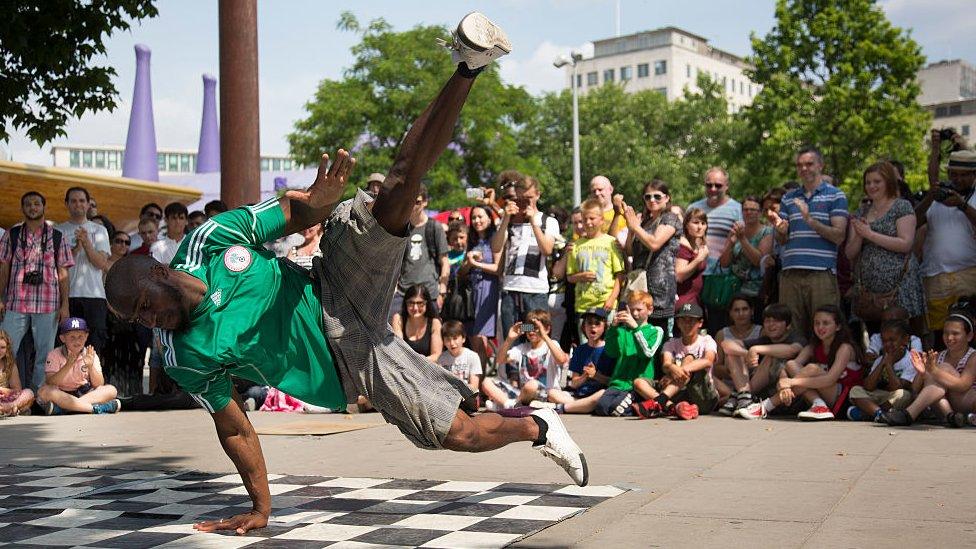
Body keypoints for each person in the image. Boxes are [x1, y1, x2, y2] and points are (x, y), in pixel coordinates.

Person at [105, 15, 587, 535]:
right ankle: (539, 425)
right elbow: (235, 428)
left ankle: (469, 64)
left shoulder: (208, 240)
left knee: (399, 185)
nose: (148, 322)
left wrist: (320, 202)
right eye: (137, 320)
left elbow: (295, 215)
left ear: (158, 271)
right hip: (347, 362)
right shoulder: (184, 356)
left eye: (143, 307)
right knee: (460, 434)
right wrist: (262, 507)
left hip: (334, 284)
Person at [772, 147, 849, 339]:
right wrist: (780, 231)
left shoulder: (836, 195)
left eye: (809, 164)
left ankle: (826, 368)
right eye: (800, 165)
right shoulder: (788, 198)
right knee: (791, 331)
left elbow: (839, 236)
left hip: (821, 274)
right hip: (790, 274)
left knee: (826, 331)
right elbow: (781, 239)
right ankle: (794, 368)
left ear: (820, 165)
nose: (804, 168)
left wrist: (810, 220)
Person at [0, 191, 74, 391]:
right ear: (22, 208)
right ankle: (5, 393)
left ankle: (39, 396)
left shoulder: (58, 237)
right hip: (16, 303)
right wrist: (1, 298)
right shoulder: (12, 234)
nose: (32, 207)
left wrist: (65, 305)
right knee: (5, 350)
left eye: (36, 204)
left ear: (44, 207)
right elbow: (4, 268)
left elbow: (63, 273)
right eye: (28, 204)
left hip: (48, 304)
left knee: (45, 354)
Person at [738, 305, 861, 421]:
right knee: (792, 365)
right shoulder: (813, 347)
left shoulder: (845, 348)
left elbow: (829, 379)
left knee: (813, 369)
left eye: (826, 323)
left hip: (844, 399)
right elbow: (789, 366)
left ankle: (766, 405)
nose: (820, 327)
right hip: (824, 396)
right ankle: (818, 405)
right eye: (817, 323)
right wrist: (784, 383)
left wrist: (791, 382)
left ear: (838, 326)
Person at [845, 161, 924, 333]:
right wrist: (859, 235)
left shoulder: (901, 206)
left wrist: (870, 235)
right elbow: (850, 253)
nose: (871, 186)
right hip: (869, 295)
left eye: (877, 181)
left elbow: (905, 243)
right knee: (875, 341)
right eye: (868, 182)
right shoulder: (861, 212)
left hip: (900, 289)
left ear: (888, 181)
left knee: (902, 339)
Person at [915, 136, 976, 348]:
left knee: (969, 332)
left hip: (968, 274)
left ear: (974, 175)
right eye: (953, 174)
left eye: (963, 175)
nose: (957, 179)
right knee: (940, 334)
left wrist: (962, 205)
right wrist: (930, 197)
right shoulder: (939, 195)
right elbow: (913, 221)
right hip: (935, 276)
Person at [492, 176, 560, 338]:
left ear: (538, 195)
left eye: (529, 198)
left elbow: (547, 249)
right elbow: (495, 247)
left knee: (534, 337)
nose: (526, 203)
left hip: (535, 292)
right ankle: (513, 364)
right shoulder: (508, 219)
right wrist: (506, 218)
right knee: (513, 338)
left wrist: (533, 221)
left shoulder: (547, 221)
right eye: (521, 199)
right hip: (511, 291)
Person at [886, 310, 976, 427]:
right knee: (937, 378)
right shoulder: (938, 356)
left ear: (969, 336)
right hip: (944, 406)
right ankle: (951, 416)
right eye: (946, 333)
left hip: (967, 402)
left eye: (955, 333)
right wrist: (923, 373)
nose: (949, 337)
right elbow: (915, 389)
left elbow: (963, 385)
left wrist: (934, 371)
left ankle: (909, 414)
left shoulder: (973, 357)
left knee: (943, 368)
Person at [633, 302, 718, 420]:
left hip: (701, 395)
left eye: (691, 320)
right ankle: (671, 407)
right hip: (676, 393)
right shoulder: (671, 343)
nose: (687, 324)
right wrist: (671, 368)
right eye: (683, 320)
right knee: (638, 382)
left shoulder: (707, 340)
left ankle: (659, 401)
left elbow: (708, 360)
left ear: (700, 323)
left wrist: (680, 369)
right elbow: (666, 364)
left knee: (689, 358)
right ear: (677, 323)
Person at [719, 303, 805, 416]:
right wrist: (746, 353)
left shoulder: (795, 338)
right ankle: (744, 396)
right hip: (763, 392)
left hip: (789, 393)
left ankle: (739, 396)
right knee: (732, 354)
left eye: (777, 321)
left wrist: (756, 349)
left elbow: (792, 350)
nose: (771, 325)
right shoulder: (765, 340)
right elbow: (726, 344)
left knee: (770, 356)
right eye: (767, 321)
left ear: (787, 325)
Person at [620, 180, 681, 337]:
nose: (652, 200)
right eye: (648, 197)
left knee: (656, 334)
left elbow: (654, 243)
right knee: (635, 332)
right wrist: (631, 228)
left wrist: (635, 227)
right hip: (640, 286)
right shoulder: (644, 222)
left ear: (667, 198)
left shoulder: (670, 218)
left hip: (659, 289)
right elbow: (629, 250)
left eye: (657, 196)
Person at [56, 187, 111, 355]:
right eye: (73, 201)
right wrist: (76, 248)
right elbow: (58, 265)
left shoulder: (99, 230)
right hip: (68, 297)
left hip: (94, 298)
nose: (77, 204)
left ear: (88, 204)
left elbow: (101, 263)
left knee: (93, 348)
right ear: (66, 204)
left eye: (81, 201)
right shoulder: (58, 231)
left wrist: (86, 243)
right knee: (68, 347)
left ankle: (92, 381)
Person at [687, 167, 743, 331]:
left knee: (720, 324)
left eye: (718, 185)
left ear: (727, 186)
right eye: (708, 185)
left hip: (722, 277)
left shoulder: (737, 209)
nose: (712, 189)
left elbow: (740, 243)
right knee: (695, 322)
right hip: (696, 273)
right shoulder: (694, 208)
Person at [482, 309, 568, 410]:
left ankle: (507, 405)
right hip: (523, 394)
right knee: (486, 382)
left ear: (547, 329)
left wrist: (544, 335)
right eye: (529, 328)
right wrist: (509, 339)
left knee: (531, 385)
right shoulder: (522, 348)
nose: (531, 332)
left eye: (536, 328)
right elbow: (500, 360)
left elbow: (561, 360)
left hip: (546, 393)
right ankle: (510, 405)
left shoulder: (551, 344)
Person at [597, 291, 664, 416]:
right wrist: (613, 328)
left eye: (639, 310)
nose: (634, 313)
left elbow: (647, 353)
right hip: (618, 383)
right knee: (602, 407)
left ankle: (648, 406)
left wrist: (636, 329)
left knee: (616, 410)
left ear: (650, 310)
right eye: (631, 310)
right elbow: (610, 352)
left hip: (636, 385)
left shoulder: (655, 331)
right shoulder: (622, 331)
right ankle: (642, 407)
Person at [37, 317, 121, 415]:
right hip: (62, 393)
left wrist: (90, 366)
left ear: (86, 337)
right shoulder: (54, 354)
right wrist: (68, 365)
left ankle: (67, 408)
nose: (77, 341)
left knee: (111, 390)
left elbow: (98, 384)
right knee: (45, 391)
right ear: (62, 338)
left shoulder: (90, 354)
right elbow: (51, 382)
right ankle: (95, 409)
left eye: (80, 336)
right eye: (72, 337)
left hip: (84, 392)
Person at [392, 184, 450, 316]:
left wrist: (442, 290)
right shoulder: (401, 227)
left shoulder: (435, 227)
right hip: (403, 292)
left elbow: (445, 261)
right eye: (410, 201)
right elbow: (395, 261)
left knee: (431, 332)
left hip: (430, 292)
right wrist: (394, 289)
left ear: (425, 202)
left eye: (417, 201)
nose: (413, 205)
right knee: (396, 333)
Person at [565, 198, 625, 323]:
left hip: (605, 304)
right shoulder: (575, 245)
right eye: (584, 219)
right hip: (583, 306)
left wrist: (612, 298)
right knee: (586, 342)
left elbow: (620, 274)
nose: (588, 222)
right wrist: (581, 276)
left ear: (602, 220)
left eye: (592, 218)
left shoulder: (611, 242)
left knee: (608, 341)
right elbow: (570, 277)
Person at [847, 320, 915, 422]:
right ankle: (879, 414)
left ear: (905, 340)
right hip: (879, 396)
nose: (888, 344)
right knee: (855, 390)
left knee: (904, 395)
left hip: (894, 397)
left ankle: (868, 412)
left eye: (892, 340)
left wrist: (889, 364)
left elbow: (896, 387)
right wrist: (882, 362)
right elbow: (868, 387)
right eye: (884, 341)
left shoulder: (911, 360)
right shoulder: (880, 359)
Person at [547, 308, 613, 414]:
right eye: (589, 323)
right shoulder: (580, 350)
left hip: (599, 395)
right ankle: (581, 406)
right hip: (580, 396)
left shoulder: (610, 350)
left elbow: (612, 382)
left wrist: (595, 375)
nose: (593, 326)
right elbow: (574, 383)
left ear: (604, 326)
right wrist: (585, 376)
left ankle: (565, 408)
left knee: (601, 394)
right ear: (584, 327)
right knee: (552, 393)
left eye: (597, 323)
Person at [457, 204, 500, 367]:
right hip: (472, 294)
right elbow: (461, 272)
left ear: (489, 218)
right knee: (474, 338)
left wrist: (476, 263)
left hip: (489, 291)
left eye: (480, 216)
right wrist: (469, 262)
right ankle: (479, 382)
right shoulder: (471, 240)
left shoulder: (495, 238)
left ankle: (480, 385)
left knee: (481, 338)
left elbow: (498, 269)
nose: (476, 220)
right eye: (474, 217)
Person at [719, 195, 772, 303]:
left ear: (760, 212)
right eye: (745, 209)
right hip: (734, 289)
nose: (749, 212)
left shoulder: (767, 232)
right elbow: (724, 263)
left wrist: (742, 239)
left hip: (755, 291)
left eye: (753, 210)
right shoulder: (735, 230)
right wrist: (730, 244)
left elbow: (758, 261)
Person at [391, 284, 443, 363]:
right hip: (403, 366)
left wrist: (418, 362)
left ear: (427, 303)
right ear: (405, 303)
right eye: (411, 303)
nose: (415, 308)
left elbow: (436, 355)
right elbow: (399, 349)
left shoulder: (435, 323)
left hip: (427, 368)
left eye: (420, 303)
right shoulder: (398, 319)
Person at [675, 208, 709, 311]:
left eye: (703, 223)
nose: (700, 227)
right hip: (683, 301)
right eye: (695, 223)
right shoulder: (683, 246)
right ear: (686, 225)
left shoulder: (697, 244)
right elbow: (679, 275)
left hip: (694, 299)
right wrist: (699, 259)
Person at [437, 320, 482, 395]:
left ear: (463, 338)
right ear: (443, 342)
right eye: (448, 339)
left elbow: (474, 387)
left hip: (468, 396)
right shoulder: (442, 359)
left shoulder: (473, 356)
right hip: (448, 397)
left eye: (455, 338)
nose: (452, 343)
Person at [0, 330, 34, 416]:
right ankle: (16, 409)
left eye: (3, 347)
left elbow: (17, 390)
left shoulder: (10, 364)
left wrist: (3, 390)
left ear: (7, 349)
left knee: (29, 393)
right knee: (25, 405)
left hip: (5, 398)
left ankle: (8, 408)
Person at [589, 175, 627, 245]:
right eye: (594, 191)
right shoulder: (587, 215)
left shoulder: (623, 211)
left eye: (600, 190)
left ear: (611, 189)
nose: (597, 193)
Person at [150, 202, 189, 266]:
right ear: (166, 220)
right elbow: (155, 272)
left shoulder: (194, 244)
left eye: (181, 218)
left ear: (186, 221)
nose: (177, 221)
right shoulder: (157, 247)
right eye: (174, 218)